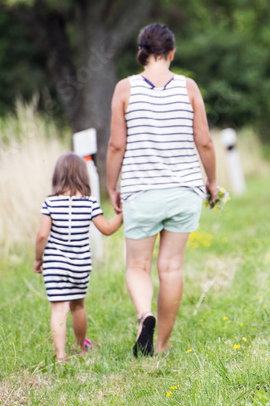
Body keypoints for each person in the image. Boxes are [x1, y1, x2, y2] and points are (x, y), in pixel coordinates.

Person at [106, 23, 220, 357]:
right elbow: (205, 141)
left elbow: (116, 146)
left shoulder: (124, 90)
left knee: (137, 267)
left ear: (141, 54)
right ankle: (162, 346)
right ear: (171, 53)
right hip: (185, 191)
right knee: (171, 267)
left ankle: (146, 315)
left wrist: (112, 187)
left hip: (141, 190)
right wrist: (211, 182)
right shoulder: (189, 88)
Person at [35, 152, 124, 363]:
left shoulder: (50, 203)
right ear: (83, 177)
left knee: (58, 308)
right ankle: (82, 349)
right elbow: (108, 229)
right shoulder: (89, 203)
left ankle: (61, 356)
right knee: (78, 306)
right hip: (80, 263)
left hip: (55, 263)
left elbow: (42, 235)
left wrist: (38, 257)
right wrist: (123, 213)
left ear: (58, 176)